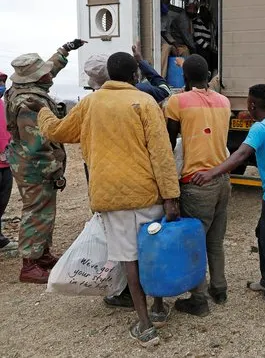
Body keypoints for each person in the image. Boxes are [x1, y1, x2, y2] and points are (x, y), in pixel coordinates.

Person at [36, 52, 180, 347]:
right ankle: (159, 308)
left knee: (130, 260)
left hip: (113, 197)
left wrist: (43, 112)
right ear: (134, 76)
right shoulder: (146, 102)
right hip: (147, 192)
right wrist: (170, 196)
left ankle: (145, 326)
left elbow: (59, 131)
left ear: (106, 75)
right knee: (152, 253)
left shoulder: (90, 103)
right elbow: (162, 153)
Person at [192, 84, 265, 303]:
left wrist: (211, 173)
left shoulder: (260, 129)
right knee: (263, 233)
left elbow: (242, 154)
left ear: (252, 105)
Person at [4, 39, 85, 283]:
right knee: (36, 210)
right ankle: (29, 264)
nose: (48, 75)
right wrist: (54, 171)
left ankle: (42, 254)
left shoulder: (26, 87)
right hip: (34, 166)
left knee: (45, 210)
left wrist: (65, 50)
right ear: (34, 79)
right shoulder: (29, 102)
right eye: (43, 74)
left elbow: (50, 68)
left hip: (27, 161)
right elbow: (37, 146)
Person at [165, 54, 232, 315]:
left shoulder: (177, 101)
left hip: (197, 181)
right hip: (222, 178)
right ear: (208, 76)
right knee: (215, 240)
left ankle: (199, 299)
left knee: (195, 242)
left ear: (185, 77)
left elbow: (169, 142)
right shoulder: (224, 102)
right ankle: (220, 288)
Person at [84, 44, 171, 103]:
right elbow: (165, 91)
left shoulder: (89, 102)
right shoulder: (140, 91)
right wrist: (141, 61)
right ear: (134, 76)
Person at [0, 72, 17, 251]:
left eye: (3, 82)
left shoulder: (4, 105)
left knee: (2, 202)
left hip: (6, 162)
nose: (2, 86)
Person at [160, 0, 178, 78]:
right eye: (165, 2)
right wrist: (170, 45)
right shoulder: (154, 13)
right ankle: (161, 77)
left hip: (165, 40)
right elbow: (158, 34)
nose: (168, 4)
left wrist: (174, 43)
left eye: (168, 2)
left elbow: (167, 33)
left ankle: (182, 78)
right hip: (158, 43)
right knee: (167, 47)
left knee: (184, 50)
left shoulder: (167, 17)